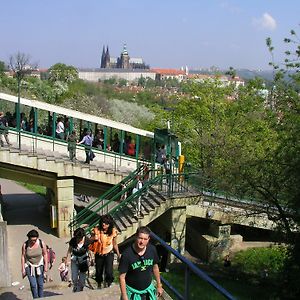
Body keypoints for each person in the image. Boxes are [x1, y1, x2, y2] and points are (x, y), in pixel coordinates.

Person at [119, 226, 163, 300]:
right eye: (140, 238)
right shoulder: (127, 254)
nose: (142, 242)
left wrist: (159, 285)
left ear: (148, 239)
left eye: (145, 239)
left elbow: (155, 267)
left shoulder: (152, 249)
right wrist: (124, 296)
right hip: (132, 292)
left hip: (148, 290)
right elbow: (122, 277)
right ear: (136, 237)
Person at [89, 214, 120, 289]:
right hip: (99, 254)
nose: (103, 224)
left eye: (106, 223)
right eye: (102, 222)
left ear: (109, 224)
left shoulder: (113, 231)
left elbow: (115, 244)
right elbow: (89, 242)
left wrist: (118, 254)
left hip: (109, 253)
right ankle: (99, 284)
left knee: (109, 271)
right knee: (99, 272)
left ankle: (108, 283)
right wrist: (94, 238)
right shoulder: (96, 230)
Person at [21, 229, 48, 298]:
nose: (33, 242)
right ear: (29, 239)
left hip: (40, 265)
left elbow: (45, 254)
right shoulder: (25, 245)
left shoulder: (41, 243)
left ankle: (41, 298)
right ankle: (35, 298)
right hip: (29, 265)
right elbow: (23, 257)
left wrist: (46, 267)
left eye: (35, 240)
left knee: (40, 284)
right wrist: (23, 269)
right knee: (33, 284)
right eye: (32, 240)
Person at [66, 227, 92, 292]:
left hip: (83, 260)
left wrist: (91, 259)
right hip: (74, 259)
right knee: (74, 277)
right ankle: (75, 286)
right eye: (77, 238)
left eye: (79, 238)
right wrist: (67, 260)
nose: (78, 240)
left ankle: (80, 290)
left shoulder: (87, 241)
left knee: (82, 279)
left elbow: (90, 251)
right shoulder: (73, 241)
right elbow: (69, 251)